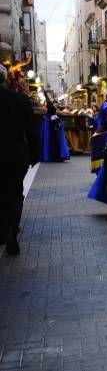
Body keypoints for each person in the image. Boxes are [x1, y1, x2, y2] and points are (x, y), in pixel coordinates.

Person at [0, 64, 38, 256]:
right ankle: (12, 230)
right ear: (5, 79)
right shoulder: (20, 100)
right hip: (15, 156)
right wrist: (35, 154)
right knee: (14, 193)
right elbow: (32, 131)